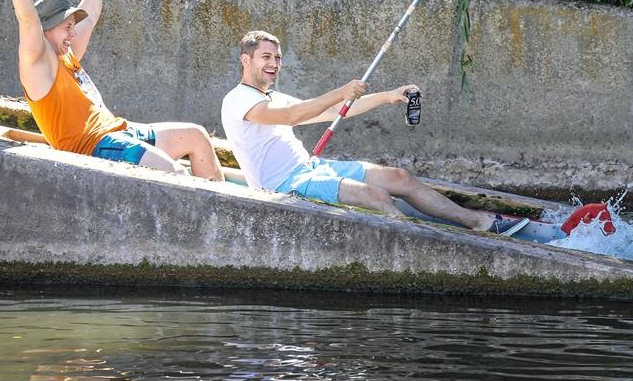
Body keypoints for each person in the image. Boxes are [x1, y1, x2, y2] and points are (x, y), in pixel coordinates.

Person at [220, 30, 530, 235]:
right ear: (246, 60)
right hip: (281, 184)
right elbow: (292, 115)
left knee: (400, 178)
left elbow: (329, 112)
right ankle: (415, 243)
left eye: (277, 58)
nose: (274, 64)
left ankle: (478, 222)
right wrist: (342, 90)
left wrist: (386, 96)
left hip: (310, 168)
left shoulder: (274, 96)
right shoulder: (238, 100)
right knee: (376, 196)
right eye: (266, 57)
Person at [4, 0, 223, 181]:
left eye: (72, 26)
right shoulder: (38, 63)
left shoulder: (67, 54)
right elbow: (28, 21)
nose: (73, 34)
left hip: (118, 131)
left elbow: (91, 14)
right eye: (67, 27)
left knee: (196, 136)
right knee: (174, 174)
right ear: (46, 30)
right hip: (93, 146)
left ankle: (223, 209)